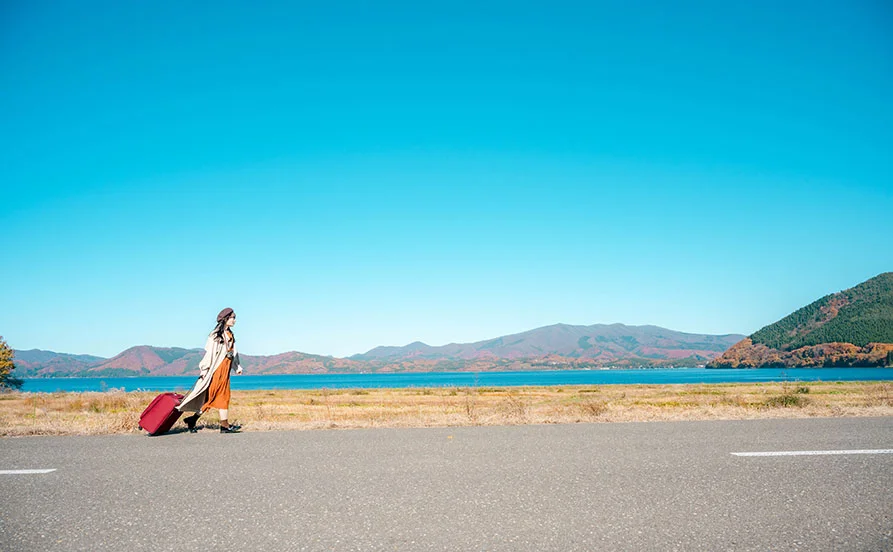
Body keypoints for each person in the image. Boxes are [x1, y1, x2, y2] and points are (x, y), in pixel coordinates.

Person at [178, 308, 243, 433]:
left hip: (226, 370)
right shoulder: (215, 335)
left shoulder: (230, 334)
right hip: (216, 370)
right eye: (232, 317)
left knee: (223, 396)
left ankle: (222, 425)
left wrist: (237, 367)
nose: (234, 320)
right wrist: (204, 369)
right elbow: (209, 354)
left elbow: (233, 353)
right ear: (225, 318)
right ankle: (218, 425)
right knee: (212, 396)